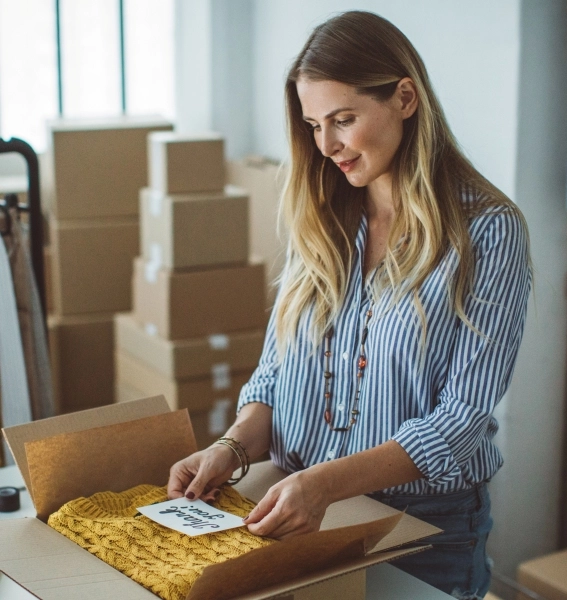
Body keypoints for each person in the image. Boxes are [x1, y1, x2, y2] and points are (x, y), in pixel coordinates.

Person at [168, 10, 531, 599]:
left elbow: (461, 419)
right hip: (299, 518)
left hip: (425, 533)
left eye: (343, 119)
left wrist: (323, 485)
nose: (326, 144)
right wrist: (229, 447)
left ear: (405, 98)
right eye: (314, 124)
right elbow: (277, 373)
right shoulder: (324, 218)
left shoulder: (488, 231)